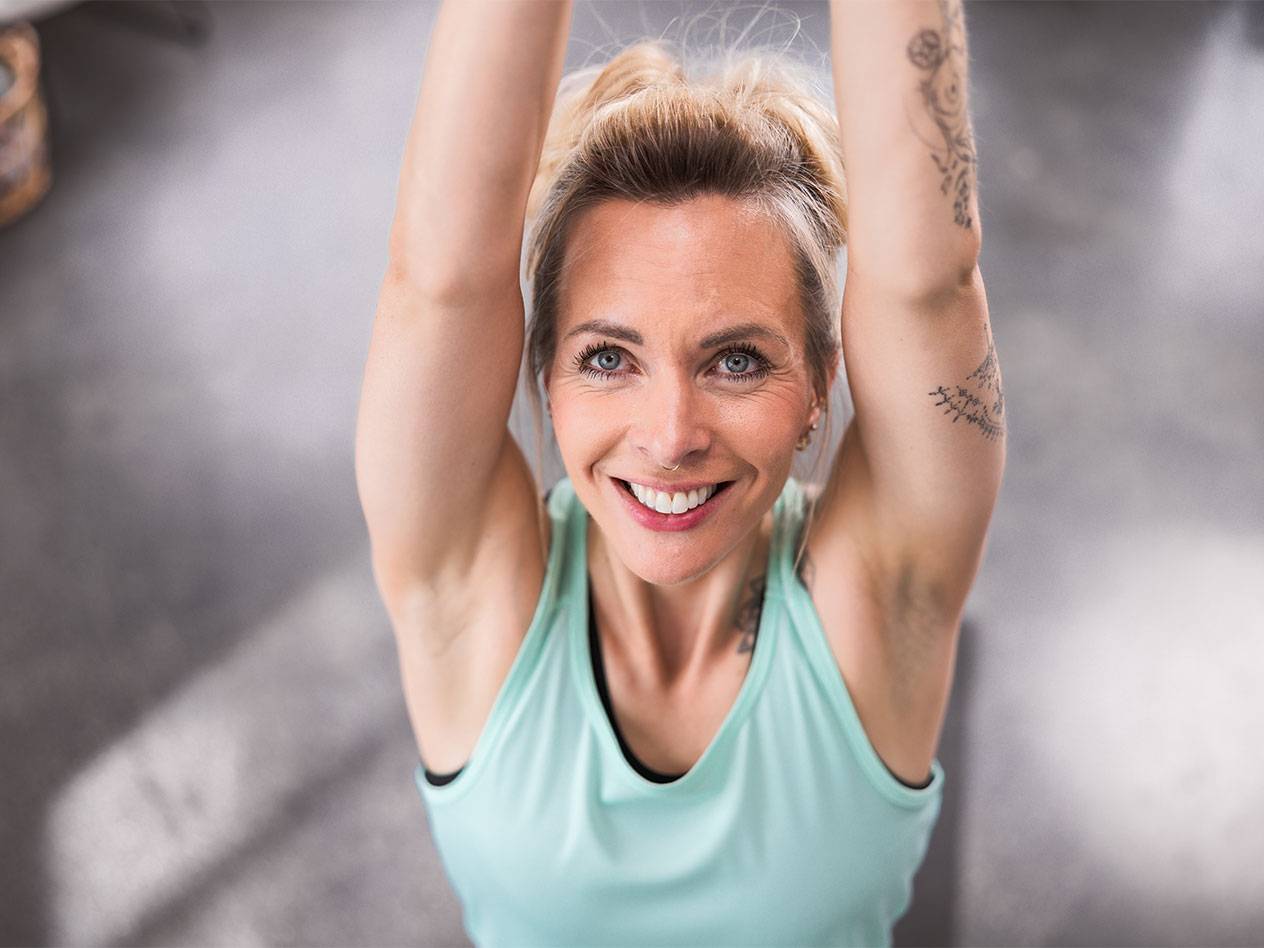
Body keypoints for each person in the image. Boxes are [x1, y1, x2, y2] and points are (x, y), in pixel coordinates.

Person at [354, 0, 1005, 944]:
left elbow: (927, 282)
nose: (669, 436)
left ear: (824, 381)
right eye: (608, 358)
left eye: (736, 361)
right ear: (542, 374)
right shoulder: (475, 597)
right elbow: (439, 277)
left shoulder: (879, 602)